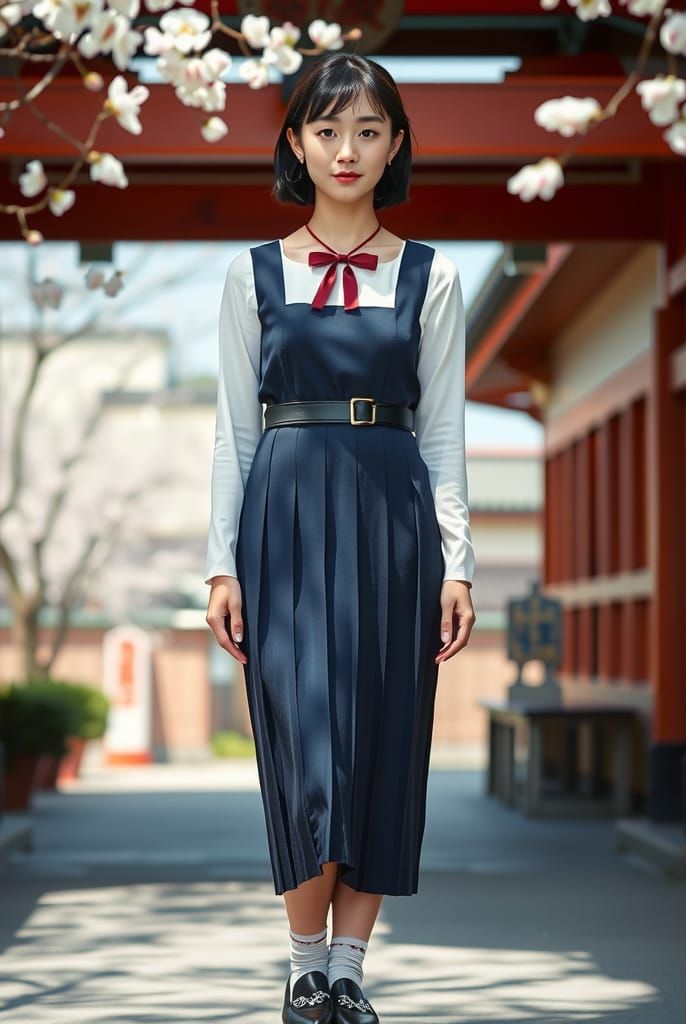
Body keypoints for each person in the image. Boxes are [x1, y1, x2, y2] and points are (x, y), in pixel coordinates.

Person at [204, 51, 476, 1024]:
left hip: (394, 512)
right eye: (328, 129)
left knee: (383, 737)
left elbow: (443, 429)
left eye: (368, 130)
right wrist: (219, 564)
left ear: (397, 143)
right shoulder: (253, 275)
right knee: (307, 740)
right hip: (284, 511)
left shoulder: (432, 278)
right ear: (297, 143)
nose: (347, 149)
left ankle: (348, 967)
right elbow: (234, 428)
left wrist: (459, 564)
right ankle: (303, 959)